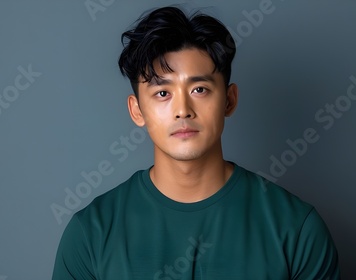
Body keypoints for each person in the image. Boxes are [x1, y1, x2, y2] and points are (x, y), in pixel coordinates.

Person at [52, 6, 340, 280]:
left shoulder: (296, 229)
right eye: (162, 93)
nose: (182, 109)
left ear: (229, 100)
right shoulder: (91, 233)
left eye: (199, 89)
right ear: (136, 110)